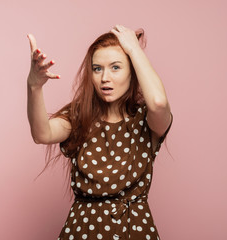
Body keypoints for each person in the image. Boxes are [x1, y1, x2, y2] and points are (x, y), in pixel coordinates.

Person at [27, 24, 173, 240]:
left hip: (133, 231)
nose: (105, 77)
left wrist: (134, 50)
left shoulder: (145, 120)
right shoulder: (79, 116)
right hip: (82, 230)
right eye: (97, 68)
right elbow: (43, 134)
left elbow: (159, 103)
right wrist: (34, 86)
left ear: (132, 71)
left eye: (115, 67)